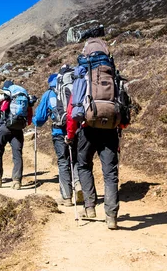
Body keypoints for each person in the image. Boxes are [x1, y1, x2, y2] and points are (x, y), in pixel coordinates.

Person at [66, 38, 126, 230]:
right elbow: (124, 104)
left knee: (83, 165)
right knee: (110, 173)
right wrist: (120, 124)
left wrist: (71, 132)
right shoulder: (113, 74)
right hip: (110, 129)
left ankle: (90, 207)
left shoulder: (83, 73)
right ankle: (112, 217)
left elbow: (73, 109)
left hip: (88, 128)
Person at [33, 73, 83, 206]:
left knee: (63, 162)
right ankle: (79, 186)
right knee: (76, 159)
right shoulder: (74, 89)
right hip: (75, 130)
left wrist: (34, 120)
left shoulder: (49, 94)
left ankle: (66, 197)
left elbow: (39, 119)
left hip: (59, 132)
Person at [0, 81, 33, 190]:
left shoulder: (3, 96)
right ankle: (17, 181)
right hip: (18, 129)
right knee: (17, 155)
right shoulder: (22, 96)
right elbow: (29, 117)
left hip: (4, 127)